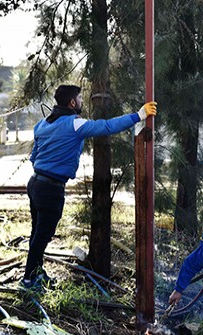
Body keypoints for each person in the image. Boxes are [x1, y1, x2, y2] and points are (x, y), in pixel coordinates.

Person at [21, 84, 157, 290]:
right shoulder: (74, 124)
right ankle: (29, 280)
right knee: (42, 235)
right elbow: (107, 127)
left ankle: (36, 273)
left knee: (37, 232)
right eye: (80, 99)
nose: (82, 102)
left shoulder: (42, 124)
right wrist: (138, 115)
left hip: (35, 183)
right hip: (51, 188)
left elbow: (34, 157)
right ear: (72, 102)